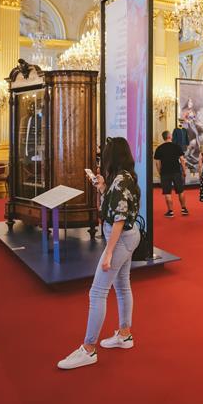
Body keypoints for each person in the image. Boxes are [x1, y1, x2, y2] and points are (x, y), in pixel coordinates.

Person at [58, 137, 142, 370]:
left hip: (121, 238)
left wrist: (108, 252)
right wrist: (102, 187)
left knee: (97, 292)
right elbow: (113, 207)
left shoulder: (120, 181)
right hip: (129, 236)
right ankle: (124, 334)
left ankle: (88, 348)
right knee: (122, 285)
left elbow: (119, 218)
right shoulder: (125, 177)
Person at [154, 131, 188, 218]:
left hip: (165, 172)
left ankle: (170, 211)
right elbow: (182, 160)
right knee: (180, 191)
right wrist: (184, 171)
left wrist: (160, 173)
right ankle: (184, 209)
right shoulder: (176, 146)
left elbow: (157, 163)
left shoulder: (159, 148)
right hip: (176, 171)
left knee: (167, 192)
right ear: (170, 136)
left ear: (163, 137)